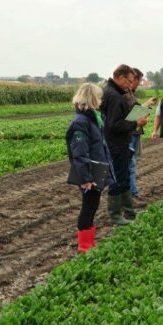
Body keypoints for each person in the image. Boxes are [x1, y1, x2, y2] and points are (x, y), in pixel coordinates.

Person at [66, 83, 114, 252]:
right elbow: (79, 153)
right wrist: (85, 178)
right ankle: (84, 245)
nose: (101, 101)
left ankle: (89, 243)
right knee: (88, 206)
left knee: (93, 205)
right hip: (90, 172)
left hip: (97, 169)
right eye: (99, 97)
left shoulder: (94, 119)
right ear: (92, 99)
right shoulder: (81, 122)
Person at [100, 64, 149, 225]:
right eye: (129, 81)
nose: (130, 85)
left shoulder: (112, 92)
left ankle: (129, 212)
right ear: (120, 78)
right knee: (118, 178)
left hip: (119, 142)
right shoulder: (114, 96)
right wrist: (136, 123)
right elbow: (114, 125)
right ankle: (116, 216)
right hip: (116, 144)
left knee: (125, 176)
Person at [127, 68, 156, 199]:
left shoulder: (131, 94)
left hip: (135, 133)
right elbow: (130, 117)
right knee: (130, 165)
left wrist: (144, 109)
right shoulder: (125, 95)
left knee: (132, 164)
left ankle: (131, 194)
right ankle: (132, 195)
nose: (137, 84)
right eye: (136, 81)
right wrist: (145, 106)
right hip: (130, 134)